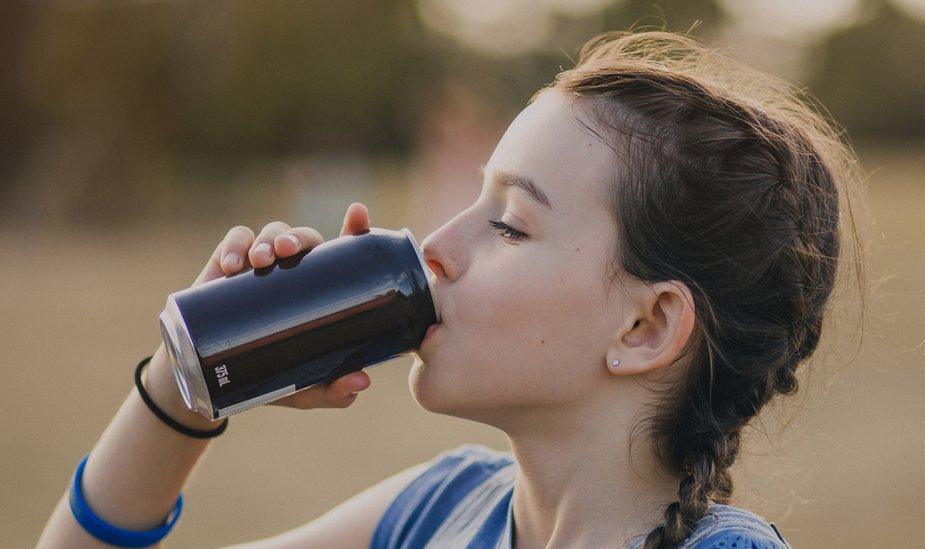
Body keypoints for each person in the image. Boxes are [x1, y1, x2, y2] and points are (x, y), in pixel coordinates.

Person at [37, 29, 865, 549]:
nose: (433, 246)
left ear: (646, 325)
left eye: (507, 223)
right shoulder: (436, 510)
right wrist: (182, 387)